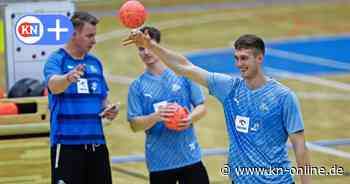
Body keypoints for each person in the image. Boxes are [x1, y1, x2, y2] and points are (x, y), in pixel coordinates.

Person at [123, 32, 311, 184]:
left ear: (260, 58)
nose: (239, 64)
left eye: (244, 58)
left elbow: (300, 146)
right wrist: (151, 45)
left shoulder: (283, 96)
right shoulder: (229, 88)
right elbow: (184, 67)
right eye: (236, 58)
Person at [127, 26, 210, 184]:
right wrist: (156, 117)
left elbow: (202, 106)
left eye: (148, 46)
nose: (145, 52)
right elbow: (134, 125)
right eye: (140, 49)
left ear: (157, 45)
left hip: (190, 158)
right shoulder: (137, 86)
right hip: (159, 163)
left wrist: (189, 118)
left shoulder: (182, 74)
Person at [44, 12, 119, 184]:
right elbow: (53, 86)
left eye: (94, 35)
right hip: (67, 146)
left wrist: (109, 109)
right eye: (89, 36)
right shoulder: (56, 60)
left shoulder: (95, 63)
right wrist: (67, 78)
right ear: (73, 34)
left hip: (97, 145)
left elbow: (102, 99)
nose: (94, 40)